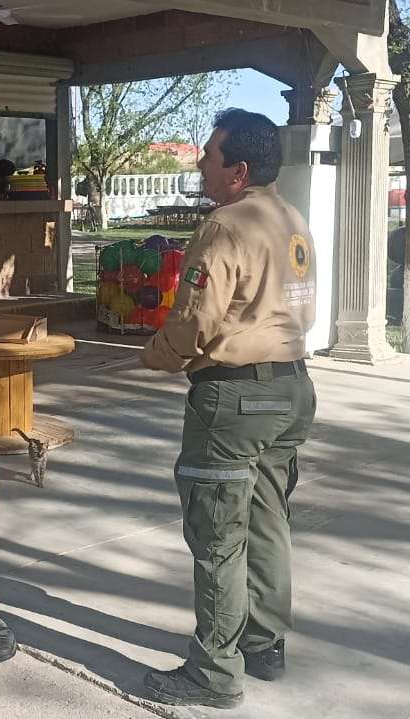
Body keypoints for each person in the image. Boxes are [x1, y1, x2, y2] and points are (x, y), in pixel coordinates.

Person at [138, 108, 317, 710]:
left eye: (210, 156)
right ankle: (264, 644)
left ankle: (214, 671)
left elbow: (194, 323)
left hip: (235, 398)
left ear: (238, 171)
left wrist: (156, 355)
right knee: (268, 519)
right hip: (291, 388)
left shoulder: (225, 225)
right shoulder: (290, 219)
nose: (200, 164)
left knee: (218, 533)